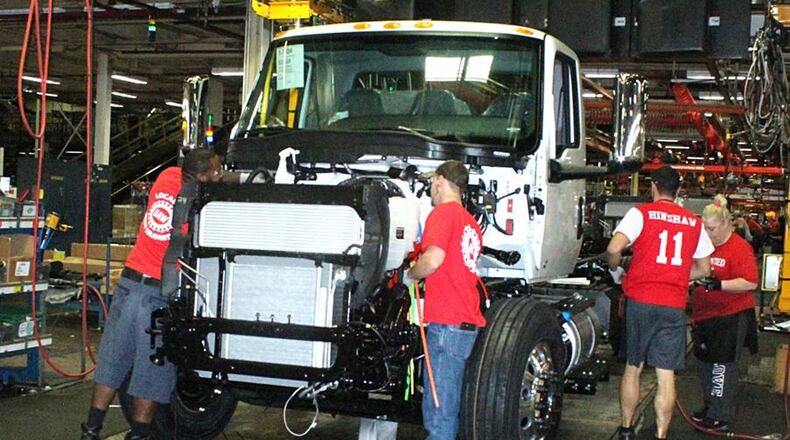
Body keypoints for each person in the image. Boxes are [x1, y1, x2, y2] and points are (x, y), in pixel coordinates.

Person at [80, 149, 223, 440]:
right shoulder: (197, 211)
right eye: (217, 171)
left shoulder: (167, 176)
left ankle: (91, 430)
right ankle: (140, 434)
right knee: (153, 369)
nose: (220, 175)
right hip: (156, 294)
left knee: (113, 358)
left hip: (129, 283)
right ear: (200, 177)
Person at [606, 166, 713, 440]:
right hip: (673, 304)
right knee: (666, 375)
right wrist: (675, 276)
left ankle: (626, 429)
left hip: (640, 301)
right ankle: (661, 434)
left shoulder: (640, 213)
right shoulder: (693, 222)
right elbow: (705, 268)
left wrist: (616, 270)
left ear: (653, 186)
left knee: (634, 367)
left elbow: (614, 248)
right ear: (678, 191)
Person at [406, 160, 484, 440]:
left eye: (431, 183)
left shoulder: (442, 214)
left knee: (439, 414)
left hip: (447, 324)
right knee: (446, 405)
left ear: (440, 181)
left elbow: (433, 260)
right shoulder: (470, 222)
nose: (430, 189)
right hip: (463, 323)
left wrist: (411, 275)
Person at [690, 195, 759, 433]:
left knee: (722, 367)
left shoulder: (739, 248)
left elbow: (750, 282)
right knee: (704, 364)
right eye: (705, 229)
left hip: (731, 315)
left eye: (712, 229)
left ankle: (720, 415)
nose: (708, 234)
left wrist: (719, 285)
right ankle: (711, 406)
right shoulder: (704, 247)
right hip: (705, 315)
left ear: (726, 223)